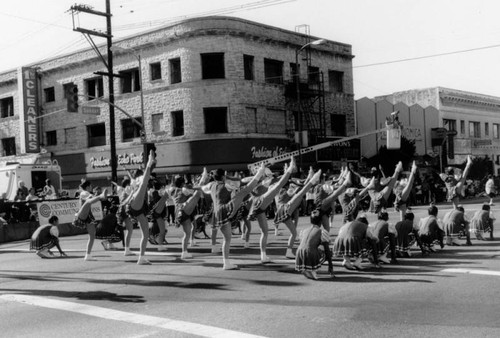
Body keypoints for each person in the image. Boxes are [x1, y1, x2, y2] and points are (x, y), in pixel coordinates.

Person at [202, 164, 267, 270]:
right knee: (243, 192)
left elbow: (202, 187)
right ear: (223, 177)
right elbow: (243, 183)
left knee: (226, 239)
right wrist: (259, 174)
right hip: (225, 209)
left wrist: (203, 176)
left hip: (216, 213)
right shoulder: (227, 185)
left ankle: (226, 262)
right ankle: (226, 263)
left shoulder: (211, 185)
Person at [273, 167, 322, 260]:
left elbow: (298, 186)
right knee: (300, 193)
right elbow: (297, 191)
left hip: (282, 212)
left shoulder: (278, 189)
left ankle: (289, 251)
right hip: (284, 209)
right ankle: (312, 178)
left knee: (294, 233)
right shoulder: (284, 190)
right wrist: (302, 183)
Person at [169, 168, 209, 259]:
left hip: (178, 213)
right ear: (182, 183)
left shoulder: (171, 189)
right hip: (183, 208)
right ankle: (203, 177)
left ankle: (184, 252)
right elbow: (195, 190)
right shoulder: (183, 189)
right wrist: (197, 183)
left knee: (186, 233)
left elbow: (173, 184)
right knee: (197, 193)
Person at [72, 180, 108, 261]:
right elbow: (90, 199)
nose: (91, 187)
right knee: (88, 202)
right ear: (88, 187)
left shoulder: (87, 193)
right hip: (82, 214)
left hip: (87, 216)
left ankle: (88, 255)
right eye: (91, 186)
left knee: (92, 235)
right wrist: (99, 196)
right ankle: (101, 196)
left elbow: (92, 198)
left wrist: (97, 196)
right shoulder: (84, 193)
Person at [295, 210, 334, 280]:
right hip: (310, 253)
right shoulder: (322, 232)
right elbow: (327, 250)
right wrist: (330, 266)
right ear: (321, 222)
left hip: (299, 253)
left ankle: (305, 267)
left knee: (309, 247)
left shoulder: (304, 230)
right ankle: (312, 270)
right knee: (328, 251)